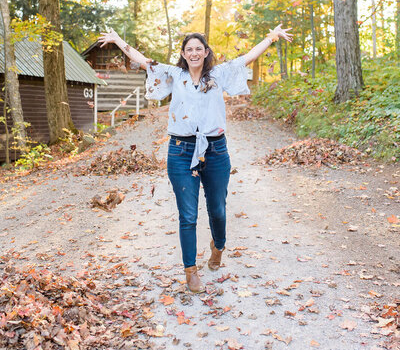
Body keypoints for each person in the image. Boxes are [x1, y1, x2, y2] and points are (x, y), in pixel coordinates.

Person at [98, 25, 292, 293]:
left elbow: (248, 57)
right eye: (189, 49)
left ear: (206, 52)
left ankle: (218, 245)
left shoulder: (219, 74)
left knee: (218, 211)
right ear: (183, 53)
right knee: (187, 215)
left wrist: (271, 37)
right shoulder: (175, 75)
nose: (194, 52)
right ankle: (190, 271)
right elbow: (143, 61)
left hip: (215, 151)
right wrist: (118, 39)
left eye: (198, 48)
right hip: (180, 150)